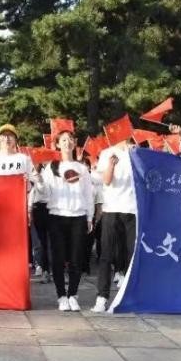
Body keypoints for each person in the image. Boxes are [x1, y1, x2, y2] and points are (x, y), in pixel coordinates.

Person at [42, 131, 93, 311]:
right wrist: (38, 181)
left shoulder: (82, 168)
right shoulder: (52, 167)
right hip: (57, 216)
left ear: (74, 143)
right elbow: (45, 192)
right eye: (63, 140)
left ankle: (73, 294)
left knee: (76, 258)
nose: (68, 142)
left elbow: (88, 194)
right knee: (58, 258)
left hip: (78, 216)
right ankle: (61, 296)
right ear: (57, 144)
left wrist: (89, 217)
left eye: (70, 139)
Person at [92, 138, 136, 313]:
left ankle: (130, 296)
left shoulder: (136, 152)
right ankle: (102, 297)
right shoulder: (107, 153)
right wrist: (111, 165)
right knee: (107, 254)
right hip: (112, 209)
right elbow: (107, 180)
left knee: (132, 254)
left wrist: (134, 153)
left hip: (132, 209)